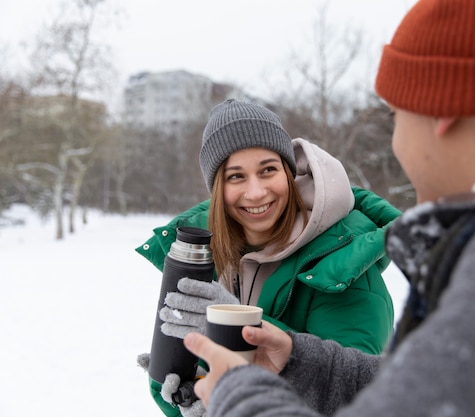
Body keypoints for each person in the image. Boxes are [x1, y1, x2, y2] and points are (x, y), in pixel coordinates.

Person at [180, 0, 475, 416]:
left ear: (443, 109)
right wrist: (303, 363)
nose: (396, 141)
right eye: (235, 177)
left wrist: (238, 395)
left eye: (396, 114)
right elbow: (441, 387)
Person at [136, 98, 401, 417]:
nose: (256, 192)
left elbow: (350, 399)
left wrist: (235, 326)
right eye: (236, 176)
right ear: (218, 189)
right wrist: (192, 391)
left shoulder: (344, 263)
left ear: (289, 172)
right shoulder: (208, 256)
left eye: (268, 170)